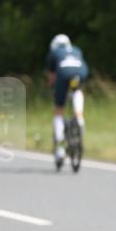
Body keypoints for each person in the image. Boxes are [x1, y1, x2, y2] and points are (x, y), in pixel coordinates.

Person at [46, 34, 89, 169]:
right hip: (80, 72)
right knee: (77, 90)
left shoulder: (53, 53)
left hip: (64, 74)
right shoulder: (76, 50)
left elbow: (52, 78)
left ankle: (59, 148)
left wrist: (53, 87)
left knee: (59, 110)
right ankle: (79, 118)